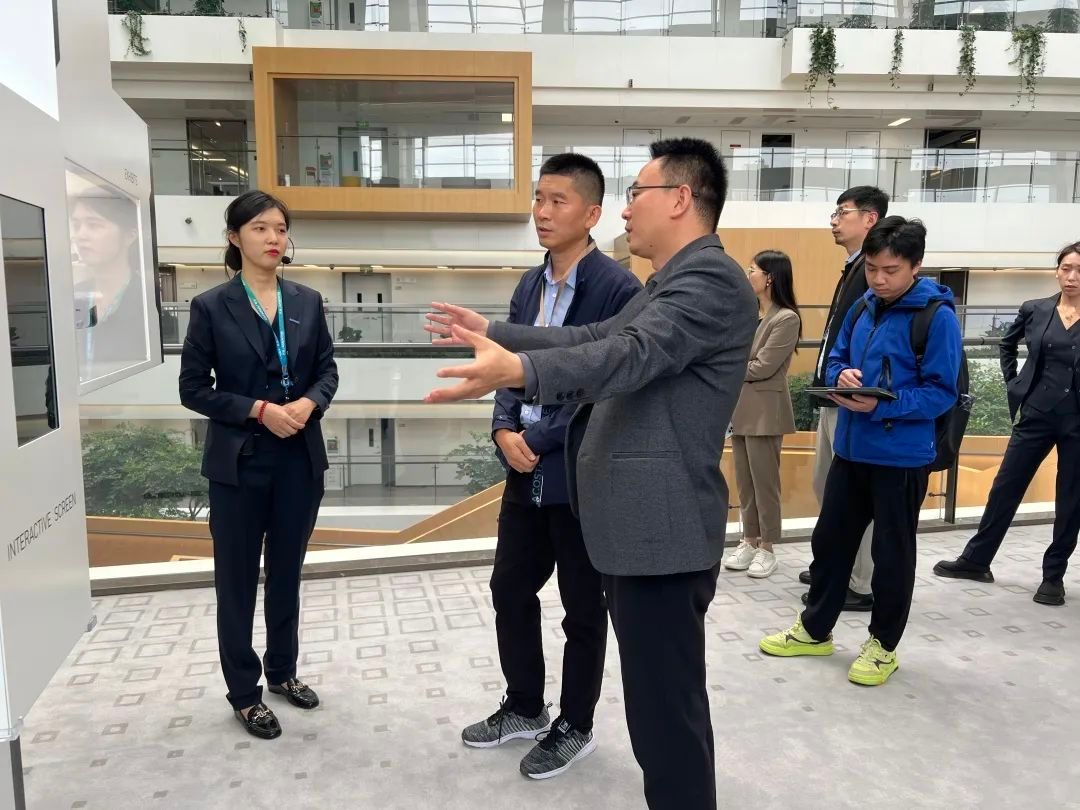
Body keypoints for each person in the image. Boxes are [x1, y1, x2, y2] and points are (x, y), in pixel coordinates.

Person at [424, 138, 757, 810]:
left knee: (667, 721)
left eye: (636, 194)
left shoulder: (710, 281)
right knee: (658, 715)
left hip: (662, 536)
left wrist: (521, 370)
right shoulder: (669, 282)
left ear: (681, 199)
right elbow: (592, 338)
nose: (626, 211)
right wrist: (499, 333)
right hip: (639, 532)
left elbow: (628, 355)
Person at [460, 154, 641, 778]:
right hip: (524, 467)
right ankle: (525, 705)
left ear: (591, 214)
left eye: (557, 200)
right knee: (510, 588)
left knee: (582, 607)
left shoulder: (619, 290)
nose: (542, 211)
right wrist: (502, 428)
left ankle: (576, 724)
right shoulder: (530, 284)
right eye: (538, 198)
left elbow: (604, 383)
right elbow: (507, 362)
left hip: (580, 472)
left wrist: (539, 436)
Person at [759, 216, 962, 686]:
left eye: (890, 270)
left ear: (916, 266)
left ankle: (883, 645)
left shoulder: (936, 317)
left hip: (901, 458)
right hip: (852, 450)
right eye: (871, 269)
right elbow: (834, 357)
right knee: (830, 544)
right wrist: (841, 375)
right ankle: (815, 630)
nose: (878, 279)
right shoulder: (863, 306)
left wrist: (882, 404)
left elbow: (941, 393)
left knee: (892, 556)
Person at [179, 190, 338, 739]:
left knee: (287, 573)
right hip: (241, 461)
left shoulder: (307, 300)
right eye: (260, 228)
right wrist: (258, 410)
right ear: (234, 237)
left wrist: (309, 403)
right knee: (238, 581)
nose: (274, 238)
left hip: (299, 456)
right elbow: (193, 389)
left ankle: (283, 672)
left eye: (281, 229)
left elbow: (327, 371)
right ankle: (244, 693)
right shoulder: (210, 306)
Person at [933, 241, 1080, 606]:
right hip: (1036, 412)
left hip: (1077, 419)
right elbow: (1007, 344)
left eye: (1079, 270)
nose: (1072, 277)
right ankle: (976, 560)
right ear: (1057, 271)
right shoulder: (1036, 309)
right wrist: (1015, 383)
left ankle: (1053, 577)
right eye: (1066, 268)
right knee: (1005, 487)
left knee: (1070, 498)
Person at [799, 186, 890, 612]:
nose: (834, 221)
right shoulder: (854, 268)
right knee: (828, 487)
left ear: (870, 219)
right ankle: (836, 566)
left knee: (853, 494)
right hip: (835, 395)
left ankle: (861, 582)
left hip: (855, 402)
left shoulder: (873, 276)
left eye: (842, 212)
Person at [723, 250, 801, 579]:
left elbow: (763, 366)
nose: (748, 275)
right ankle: (749, 539)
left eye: (752, 270)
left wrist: (727, 366)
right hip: (742, 410)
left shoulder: (786, 318)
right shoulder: (753, 315)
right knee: (745, 483)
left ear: (770, 277)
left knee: (765, 484)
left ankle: (767, 546)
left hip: (766, 413)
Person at [69, 193, 145, 380]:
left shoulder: (145, 299)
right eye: (76, 226)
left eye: (94, 225)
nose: (81, 236)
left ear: (129, 235)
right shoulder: (73, 295)